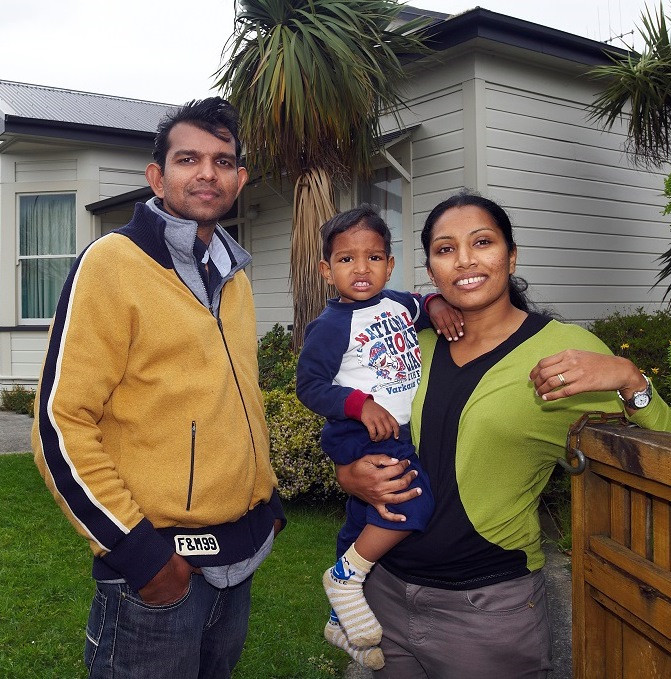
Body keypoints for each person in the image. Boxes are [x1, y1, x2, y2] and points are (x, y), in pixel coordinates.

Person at [334, 191, 671, 678]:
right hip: (385, 591)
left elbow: (660, 444)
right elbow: (360, 425)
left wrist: (630, 380)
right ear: (431, 270)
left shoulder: (563, 349)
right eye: (445, 249)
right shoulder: (406, 344)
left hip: (486, 610)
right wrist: (348, 473)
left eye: (483, 242)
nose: (465, 260)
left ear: (511, 256)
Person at [31, 97, 285, 679]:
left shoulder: (234, 276)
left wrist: (267, 503)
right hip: (157, 570)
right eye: (188, 159)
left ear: (240, 179)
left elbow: (237, 398)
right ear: (157, 176)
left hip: (238, 562)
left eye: (223, 161)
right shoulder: (111, 265)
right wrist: (143, 557)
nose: (206, 173)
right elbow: (60, 424)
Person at [296, 205, 462, 670]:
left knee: (361, 520)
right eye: (347, 259)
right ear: (328, 272)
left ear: (389, 265)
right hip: (364, 433)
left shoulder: (399, 304)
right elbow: (309, 386)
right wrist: (360, 404)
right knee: (411, 502)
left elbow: (422, 302)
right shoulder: (330, 326)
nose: (361, 268)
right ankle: (346, 580)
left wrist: (437, 304)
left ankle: (338, 620)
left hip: (396, 432)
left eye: (373, 257)